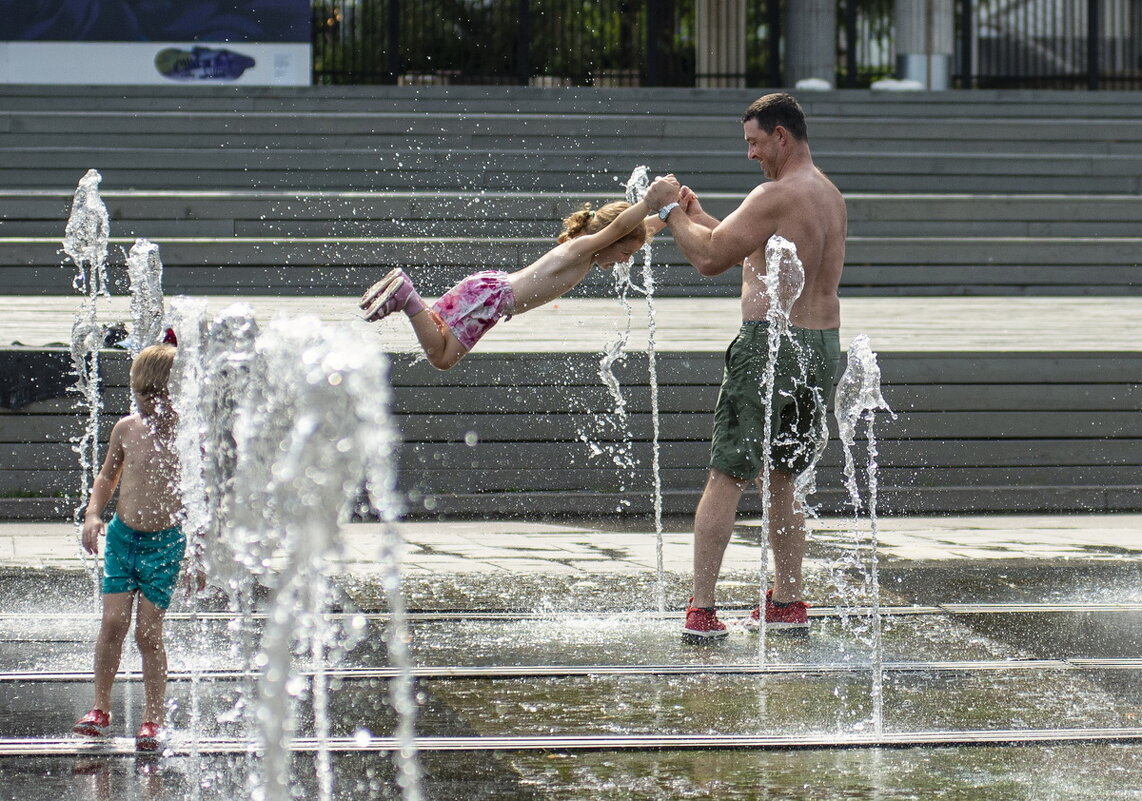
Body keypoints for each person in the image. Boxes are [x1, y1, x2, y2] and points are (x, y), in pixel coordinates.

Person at [649, 93, 846, 640]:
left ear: (781, 136)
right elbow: (749, 252)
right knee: (783, 477)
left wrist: (667, 211)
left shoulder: (775, 194)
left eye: (755, 143)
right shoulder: (828, 195)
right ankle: (787, 599)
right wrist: (694, 217)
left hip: (770, 346)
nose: (751, 155)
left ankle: (703, 608)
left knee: (728, 473)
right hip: (821, 346)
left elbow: (710, 258)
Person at [358, 178, 676, 369]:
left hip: (488, 291)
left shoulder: (588, 255)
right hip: (492, 298)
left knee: (437, 335)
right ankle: (407, 297)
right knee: (442, 358)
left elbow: (634, 231)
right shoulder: (581, 249)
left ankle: (405, 295)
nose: (624, 261)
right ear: (610, 239)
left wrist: (670, 212)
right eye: (625, 253)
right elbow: (623, 227)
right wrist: (649, 200)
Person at [72, 343, 186, 750]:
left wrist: (203, 552)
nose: (149, 403)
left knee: (148, 634)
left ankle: (152, 719)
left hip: (165, 545)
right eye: (142, 394)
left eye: (159, 395)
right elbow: (107, 477)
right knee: (113, 625)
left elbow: (208, 496)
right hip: (123, 538)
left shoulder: (191, 435)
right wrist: (93, 514)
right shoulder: (126, 428)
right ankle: (100, 707)